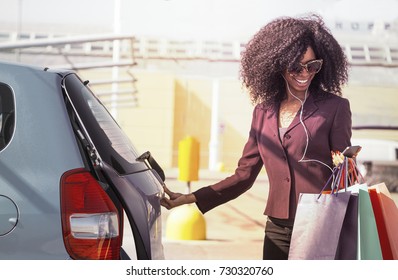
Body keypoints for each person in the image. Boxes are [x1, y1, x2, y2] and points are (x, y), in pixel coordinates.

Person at [161, 14, 351, 260]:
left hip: (321, 224)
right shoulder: (263, 112)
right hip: (277, 228)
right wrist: (191, 197)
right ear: (278, 64)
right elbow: (244, 176)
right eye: (296, 66)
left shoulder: (334, 108)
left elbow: (343, 171)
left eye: (312, 66)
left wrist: (346, 164)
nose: (305, 73)